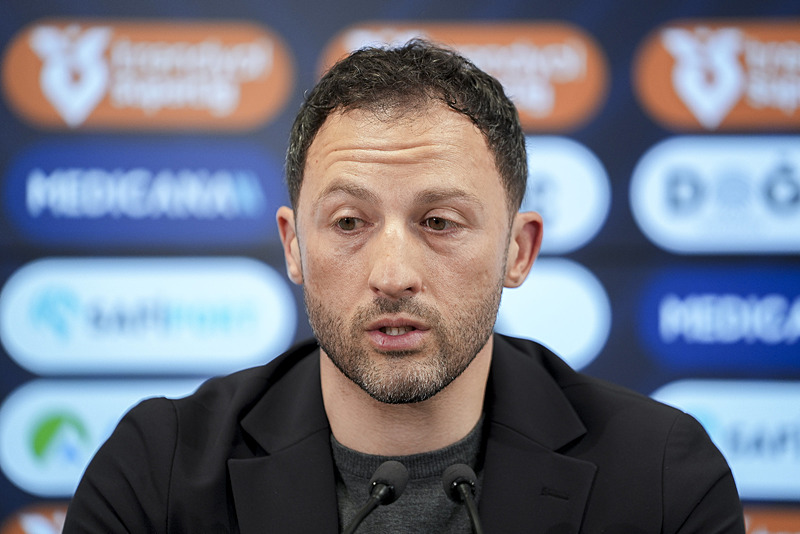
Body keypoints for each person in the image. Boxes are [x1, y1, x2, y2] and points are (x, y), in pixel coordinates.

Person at [63, 40, 744, 533]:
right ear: (293, 247)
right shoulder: (158, 470)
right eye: (349, 222)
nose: (392, 276)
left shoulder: (661, 477)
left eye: (439, 221)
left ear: (519, 251)